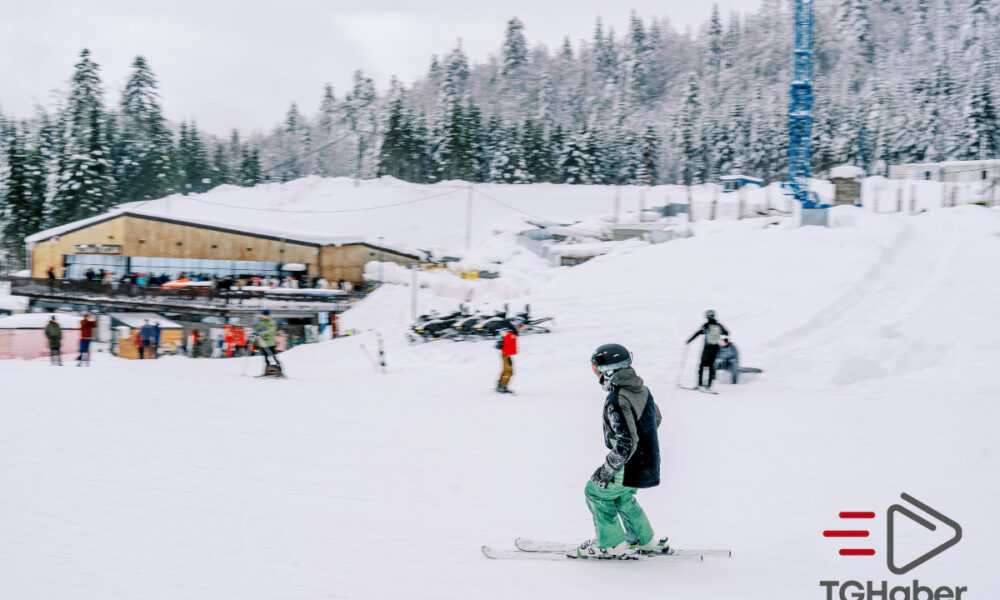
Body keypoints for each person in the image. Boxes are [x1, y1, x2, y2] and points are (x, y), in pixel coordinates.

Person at [567, 344, 668, 559]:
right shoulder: (642, 389)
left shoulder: (616, 399)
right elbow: (656, 419)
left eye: (596, 369)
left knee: (595, 492)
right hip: (647, 461)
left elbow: (626, 443)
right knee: (623, 497)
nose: (596, 375)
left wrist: (607, 471)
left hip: (628, 462)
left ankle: (611, 544)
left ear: (609, 370)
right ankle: (642, 539)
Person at [685, 309, 729, 390]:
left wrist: (689, 340)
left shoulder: (706, 325)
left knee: (702, 366)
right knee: (711, 367)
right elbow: (727, 333)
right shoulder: (719, 325)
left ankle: (700, 384)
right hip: (716, 348)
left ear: (707, 316)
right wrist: (724, 340)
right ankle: (708, 386)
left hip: (707, 348)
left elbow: (697, 333)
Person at [253, 309, 281, 376]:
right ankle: (268, 371)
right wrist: (255, 331)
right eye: (262, 315)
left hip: (270, 343)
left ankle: (279, 370)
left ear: (267, 315)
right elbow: (256, 329)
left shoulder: (272, 322)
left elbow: (271, 331)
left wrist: (261, 333)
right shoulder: (262, 322)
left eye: (263, 315)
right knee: (266, 358)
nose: (262, 316)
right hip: (263, 343)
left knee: (273, 357)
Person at [495, 325, 518, 393]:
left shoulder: (506, 332)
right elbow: (498, 335)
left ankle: (500, 385)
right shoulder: (509, 334)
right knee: (509, 371)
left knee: (505, 370)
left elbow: (499, 336)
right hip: (506, 354)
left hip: (506, 353)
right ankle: (503, 386)